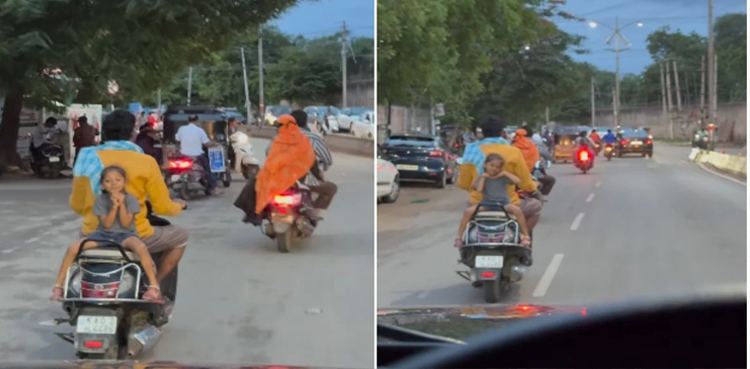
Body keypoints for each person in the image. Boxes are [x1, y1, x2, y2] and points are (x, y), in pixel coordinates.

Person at [70, 109, 188, 295]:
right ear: (133, 134)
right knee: (180, 236)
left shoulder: (86, 158)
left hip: (92, 232)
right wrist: (178, 206)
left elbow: (77, 205)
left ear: (104, 133)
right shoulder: (145, 161)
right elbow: (162, 207)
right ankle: (154, 287)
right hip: (135, 234)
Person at [52, 166, 162, 301]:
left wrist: (121, 205)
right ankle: (59, 286)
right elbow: (107, 224)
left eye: (117, 180)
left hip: (125, 235)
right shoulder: (100, 200)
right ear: (103, 184)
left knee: (141, 248)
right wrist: (114, 207)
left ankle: (153, 286)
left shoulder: (131, 199)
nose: (113, 183)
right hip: (102, 235)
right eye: (108, 181)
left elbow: (126, 224)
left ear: (125, 182)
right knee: (73, 247)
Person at [458, 116, 543, 235]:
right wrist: (534, 185)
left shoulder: (471, 149)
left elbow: (464, 184)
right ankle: (523, 238)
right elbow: (525, 183)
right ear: (502, 133)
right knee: (536, 206)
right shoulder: (513, 151)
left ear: (482, 132)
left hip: (477, 203)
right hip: (507, 203)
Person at [455, 153, 531, 247]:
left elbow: (518, 181)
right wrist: (483, 177)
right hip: (487, 203)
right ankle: (459, 237)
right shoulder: (481, 177)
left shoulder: (502, 177)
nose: (494, 168)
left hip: (503, 204)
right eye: (491, 165)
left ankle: (526, 236)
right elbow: (479, 190)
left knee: (517, 210)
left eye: (497, 167)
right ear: (485, 164)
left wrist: (504, 173)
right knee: (468, 211)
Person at [254, 114, 316, 214]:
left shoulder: (279, 141)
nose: (278, 129)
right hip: (293, 180)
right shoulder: (302, 140)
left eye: (280, 126)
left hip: (286, 180)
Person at [290, 110, 337, 218]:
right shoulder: (313, 138)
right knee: (331, 188)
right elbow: (327, 158)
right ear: (306, 123)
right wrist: (323, 168)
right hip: (301, 179)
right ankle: (313, 213)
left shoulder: (279, 137)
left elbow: (268, 152)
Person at [175, 114, 222, 195]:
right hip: (197, 156)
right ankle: (214, 187)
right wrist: (214, 144)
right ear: (197, 121)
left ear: (188, 121)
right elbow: (206, 143)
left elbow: (177, 139)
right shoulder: (199, 130)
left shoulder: (181, 129)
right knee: (208, 170)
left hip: (184, 155)